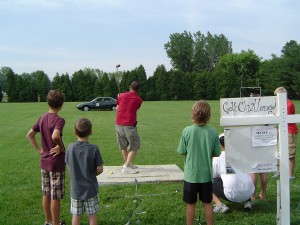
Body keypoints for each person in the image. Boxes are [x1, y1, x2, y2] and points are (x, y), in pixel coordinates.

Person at [177, 100, 221, 225]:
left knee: (191, 204)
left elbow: (181, 151)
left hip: (191, 175)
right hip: (206, 175)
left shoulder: (187, 131)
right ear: (209, 115)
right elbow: (217, 153)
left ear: (193, 113)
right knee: (207, 203)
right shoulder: (212, 132)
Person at [27, 90, 66, 225]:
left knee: (46, 193)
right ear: (61, 104)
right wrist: (61, 146)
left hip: (44, 162)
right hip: (56, 163)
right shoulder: (59, 120)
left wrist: (39, 150)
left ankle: (48, 221)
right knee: (55, 196)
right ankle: (56, 223)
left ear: (48, 103)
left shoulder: (42, 118)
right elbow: (55, 136)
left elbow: (30, 135)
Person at [65, 118, 104, 225]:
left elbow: (68, 163)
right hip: (90, 189)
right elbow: (100, 169)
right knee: (92, 216)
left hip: (76, 190)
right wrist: (91, 174)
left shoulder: (70, 148)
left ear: (74, 132)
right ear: (91, 132)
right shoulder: (94, 148)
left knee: (76, 216)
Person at [212, 133, 255, 213]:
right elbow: (251, 174)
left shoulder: (217, 157)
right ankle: (248, 202)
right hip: (249, 192)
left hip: (231, 194)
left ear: (221, 145)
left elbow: (213, 176)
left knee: (207, 182)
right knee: (243, 177)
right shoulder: (243, 155)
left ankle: (220, 205)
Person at [115, 80, 142, 174]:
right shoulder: (138, 99)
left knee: (123, 146)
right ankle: (126, 167)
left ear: (130, 87)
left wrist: (119, 98)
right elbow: (135, 109)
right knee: (134, 146)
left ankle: (128, 164)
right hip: (129, 125)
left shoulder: (121, 95)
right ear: (138, 89)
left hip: (118, 124)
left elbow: (118, 108)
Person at [274, 87, 298, 180]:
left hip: (290, 131)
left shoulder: (288, 104)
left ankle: (290, 175)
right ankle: (280, 171)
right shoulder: (282, 104)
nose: (276, 98)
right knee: (280, 152)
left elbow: (282, 117)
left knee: (290, 154)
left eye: (277, 96)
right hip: (283, 130)